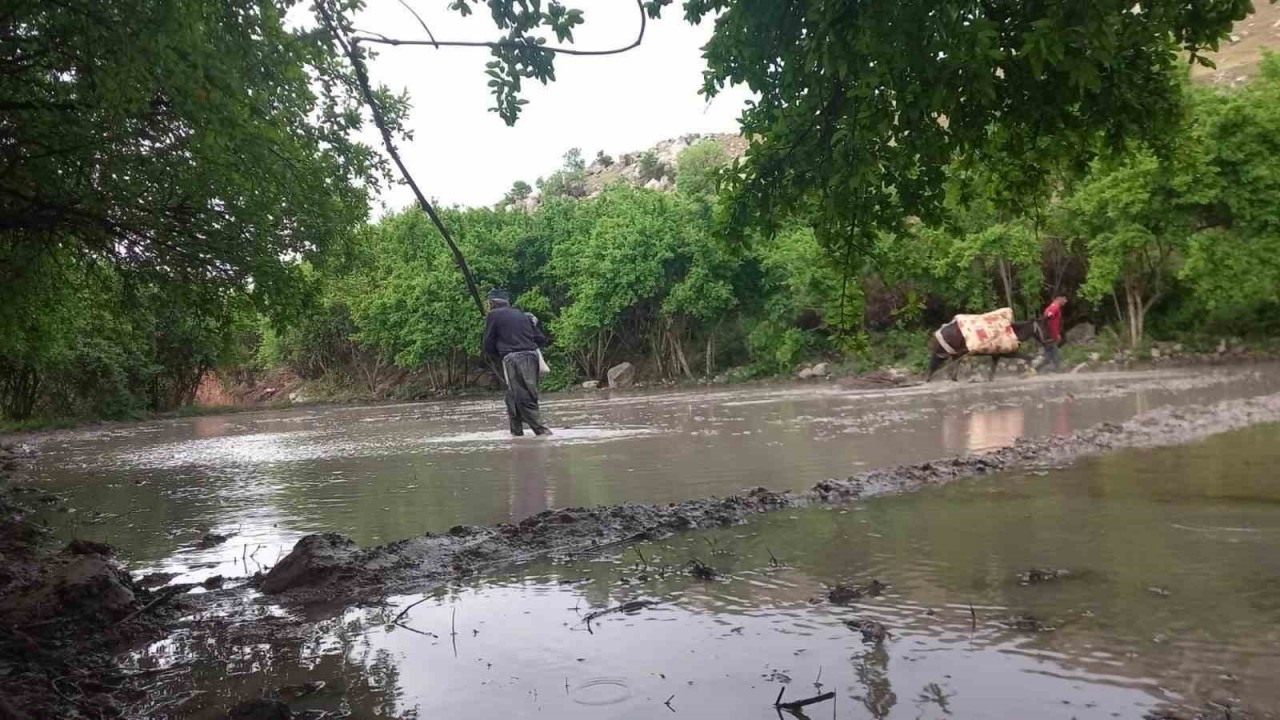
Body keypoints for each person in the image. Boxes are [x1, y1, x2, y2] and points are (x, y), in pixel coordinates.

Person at [482, 289, 551, 436]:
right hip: (532, 357)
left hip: (513, 358)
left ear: (491, 303)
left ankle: (543, 432)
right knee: (512, 398)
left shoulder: (493, 315)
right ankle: (516, 434)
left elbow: (487, 344)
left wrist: (499, 353)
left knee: (522, 396)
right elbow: (540, 339)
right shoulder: (523, 315)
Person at [1040, 295, 1067, 371]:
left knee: (1049, 354)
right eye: (1064, 299)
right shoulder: (1054, 307)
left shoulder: (1052, 307)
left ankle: (1038, 369)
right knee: (1055, 355)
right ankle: (1058, 370)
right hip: (1050, 336)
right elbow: (1048, 315)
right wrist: (1055, 335)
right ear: (1059, 298)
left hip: (1048, 335)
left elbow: (1047, 315)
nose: (1066, 301)